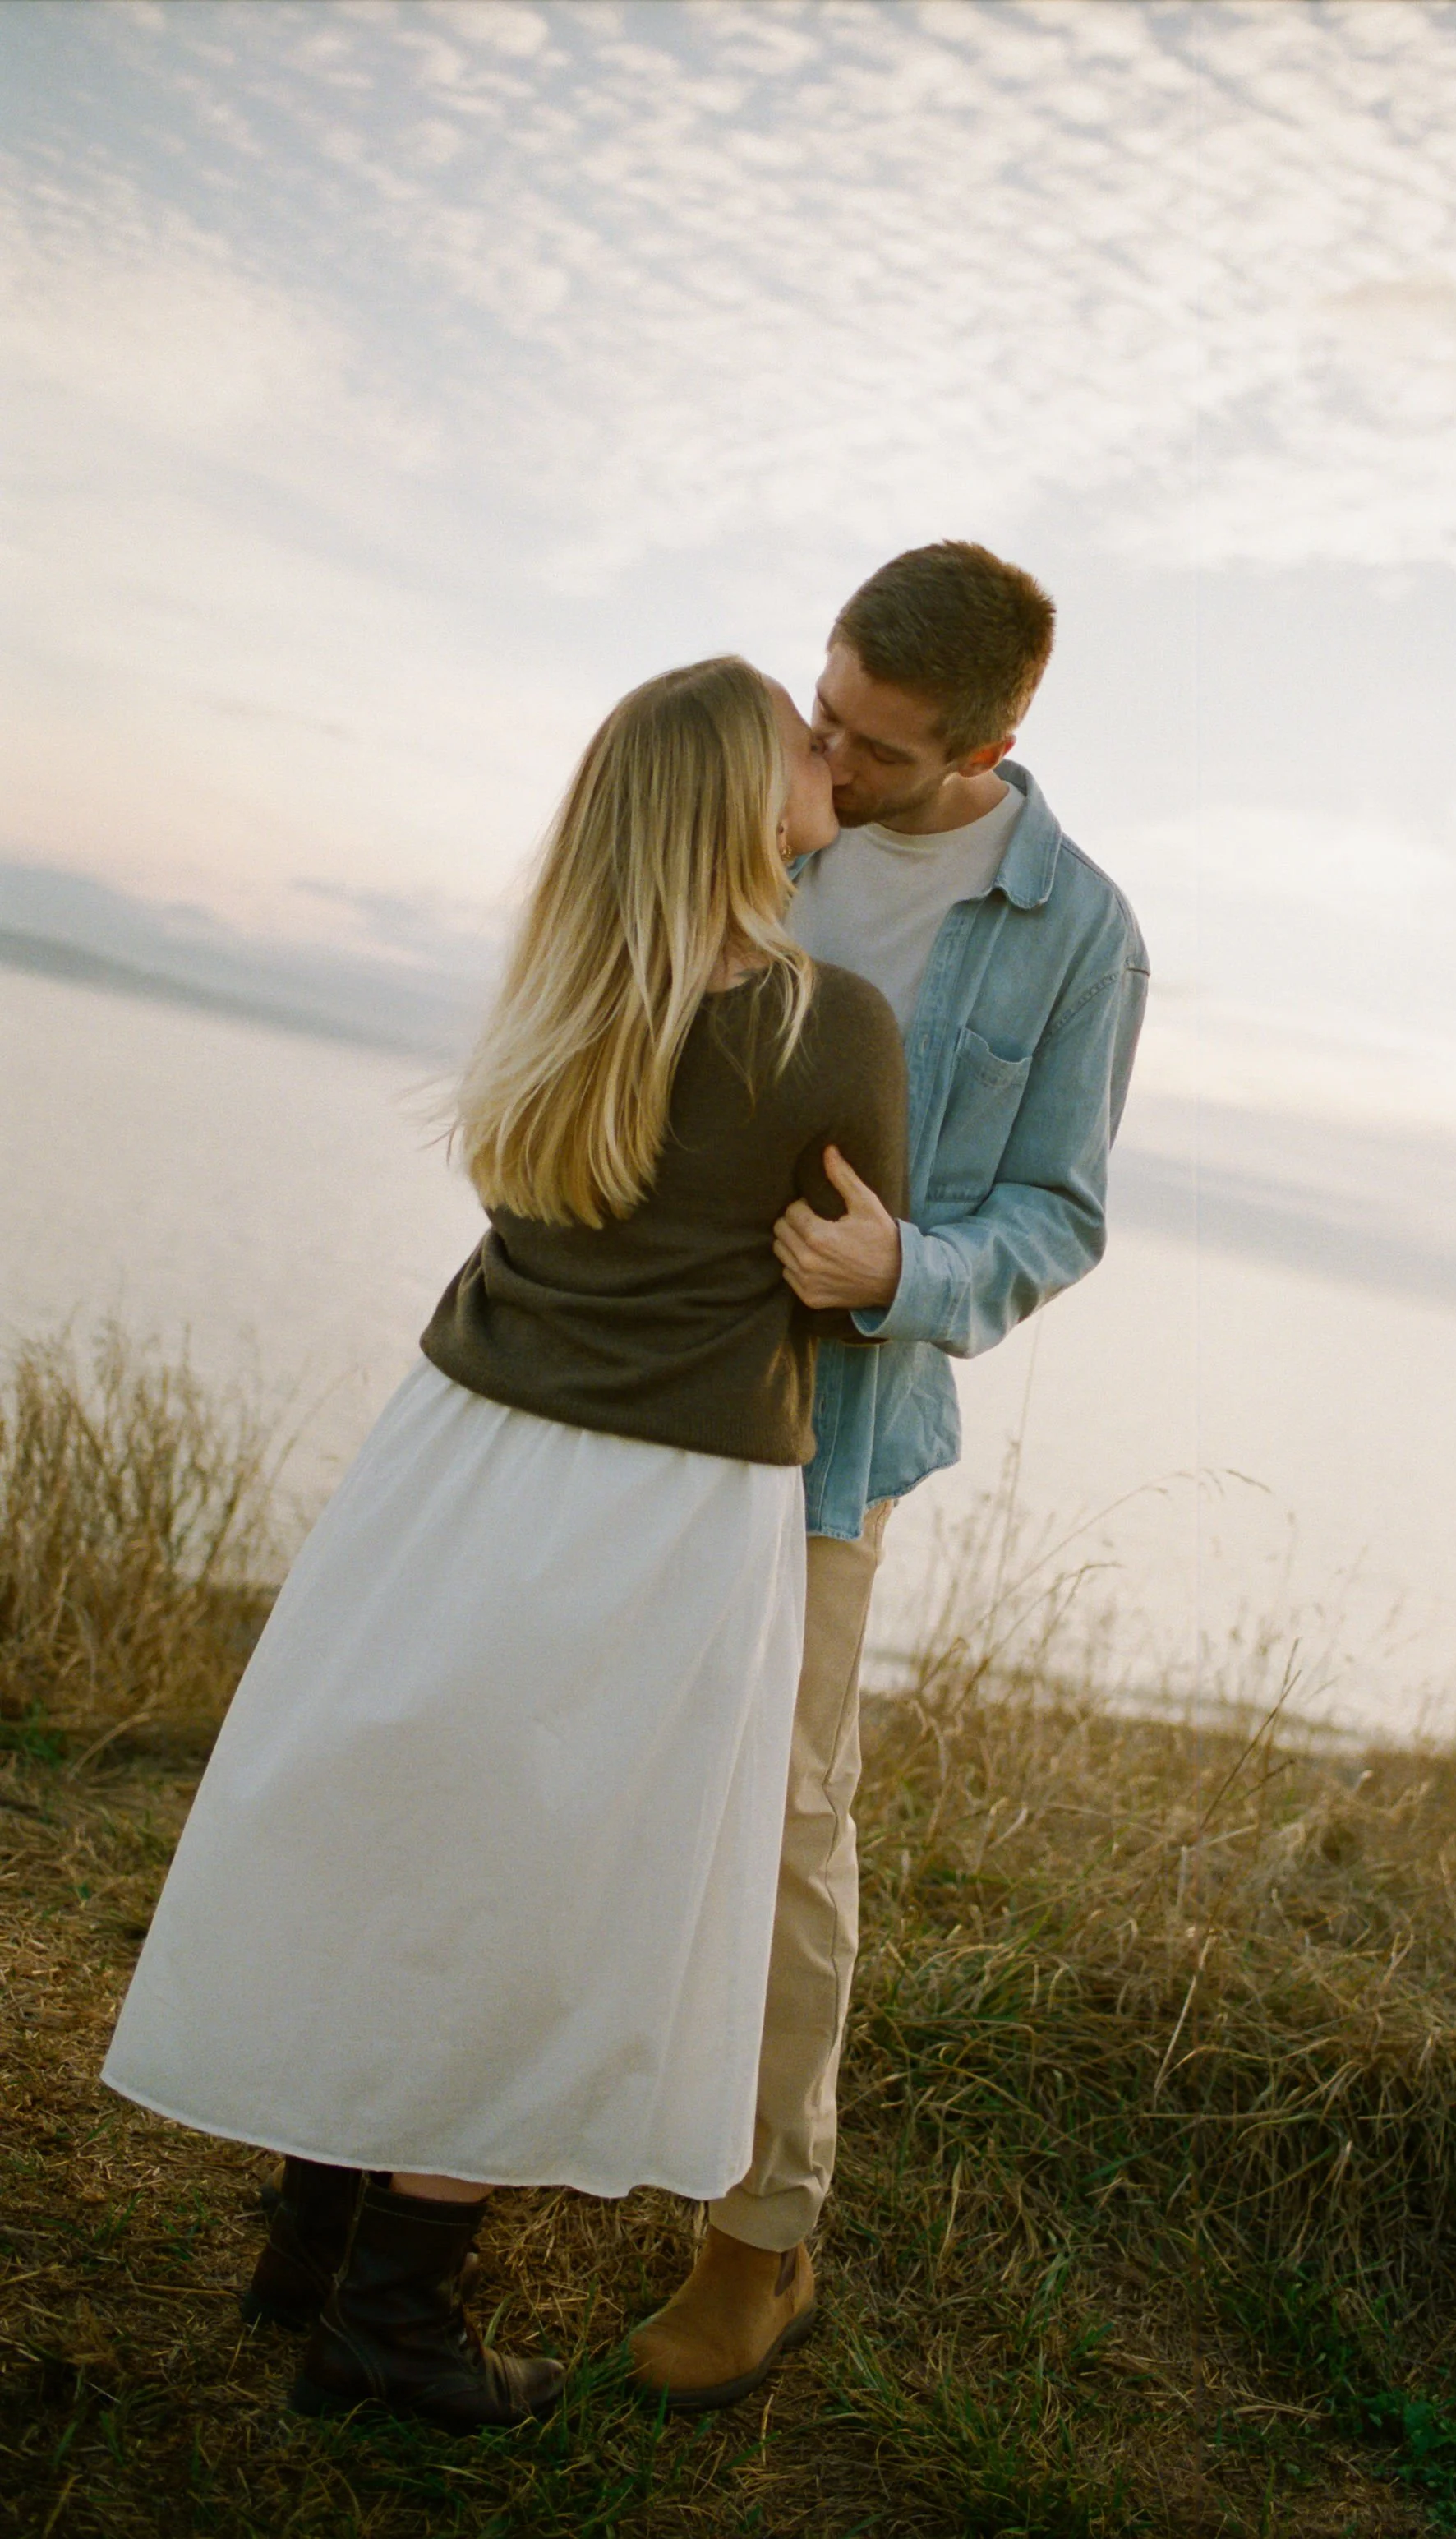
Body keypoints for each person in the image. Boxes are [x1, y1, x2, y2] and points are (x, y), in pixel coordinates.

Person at [101, 657, 908, 2434]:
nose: (824, 752)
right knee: (550, 1900)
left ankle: (310, 2245)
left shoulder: (565, 987)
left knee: (411, 1844)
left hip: (455, 1462)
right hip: (661, 1502)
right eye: (798, 733)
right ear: (731, 796)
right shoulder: (822, 1021)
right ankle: (387, 2323)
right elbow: (849, 1301)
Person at [628, 545, 1149, 2410]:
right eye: (823, 718)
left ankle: (761, 2240)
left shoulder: (1079, 928)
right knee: (567, 1751)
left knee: (785, 1827)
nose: (828, 773)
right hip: (629, 1374)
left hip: (833, 1425)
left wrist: (901, 1274)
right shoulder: (762, 802)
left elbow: (1060, 1214)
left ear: (992, 740)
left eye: (875, 753)